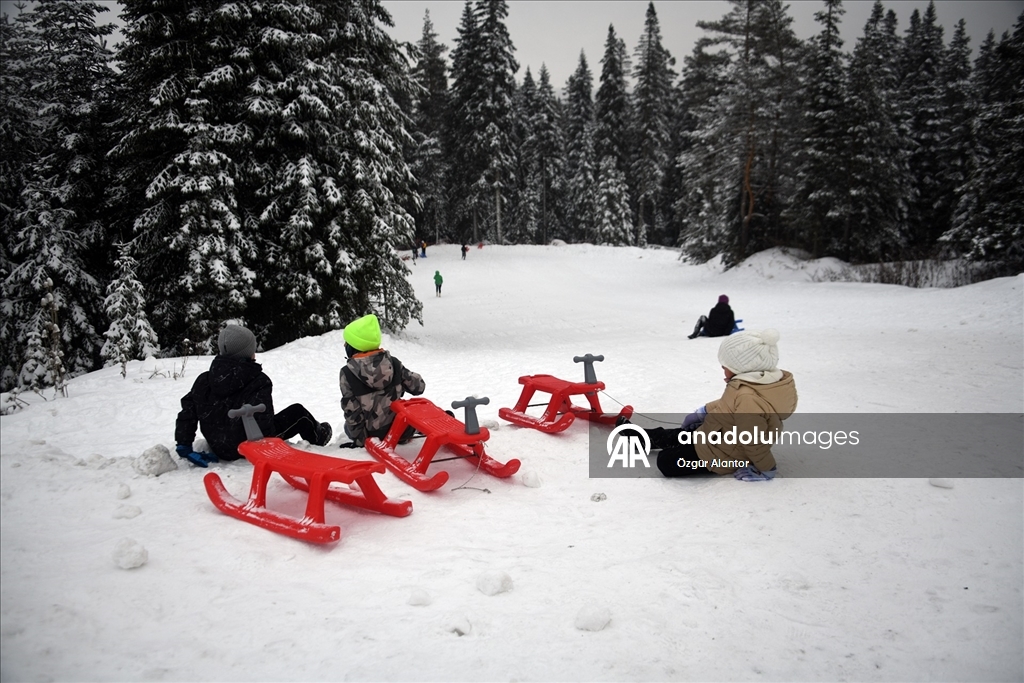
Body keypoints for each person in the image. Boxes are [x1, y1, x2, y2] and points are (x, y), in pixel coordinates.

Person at [640, 329, 798, 481]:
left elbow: (752, 440)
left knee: (666, 461)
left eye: (725, 368)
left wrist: (766, 468)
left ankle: (663, 445)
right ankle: (643, 438)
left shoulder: (748, 398)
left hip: (723, 457)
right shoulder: (755, 383)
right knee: (681, 434)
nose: (723, 371)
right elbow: (729, 404)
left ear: (741, 368)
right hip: (715, 434)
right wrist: (703, 412)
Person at [175, 325, 333, 467]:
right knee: (298, 413)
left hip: (219, 446)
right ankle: (319, 437)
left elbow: (188, 413)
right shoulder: (257, 380)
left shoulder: (204, 380)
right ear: (246, 352)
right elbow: (264, 426)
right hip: (249, 447)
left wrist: (184, 444)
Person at [338, 314, 426, 447]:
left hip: (371, 435)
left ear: (354, 346)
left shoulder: (347, 373)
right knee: (413, 410)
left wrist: (361, 442)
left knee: (346, 427)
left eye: (347, 342)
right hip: (401, 431)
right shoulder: (393, 364)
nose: (345, 345)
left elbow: (352, 413)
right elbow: (419, 387)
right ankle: (424, 425)